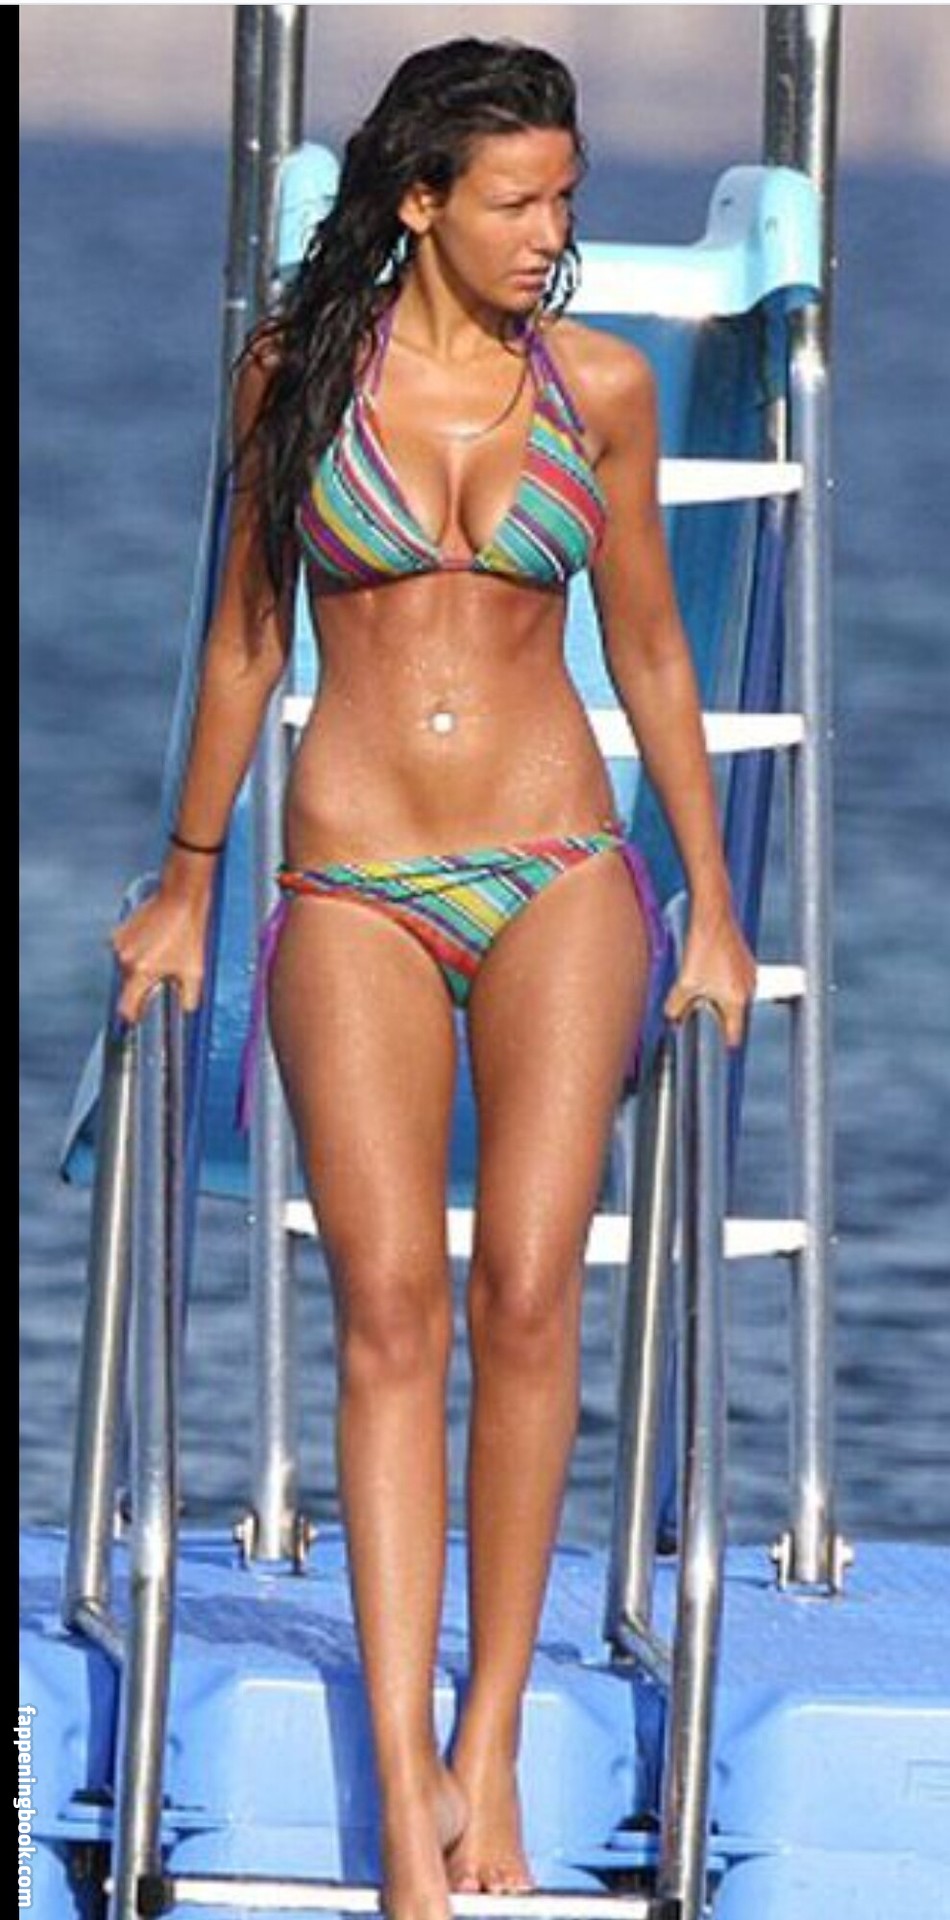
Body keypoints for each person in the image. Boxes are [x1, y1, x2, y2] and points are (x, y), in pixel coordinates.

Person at [112, 36, 757, 1920]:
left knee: (530, 1294)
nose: (553, 233)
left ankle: (487, 1740)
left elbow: (650, 652)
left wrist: (713, 903)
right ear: (418, 203)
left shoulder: (599, 389)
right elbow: (245, 642)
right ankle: (402, 1784)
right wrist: (186, 884)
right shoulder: (296, 377)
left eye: (565, 198)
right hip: (355, 875)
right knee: (387, 1310)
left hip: (561, 865)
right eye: (517, 201)